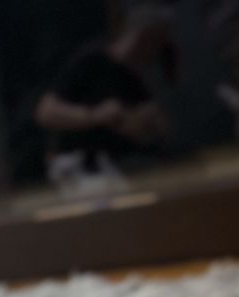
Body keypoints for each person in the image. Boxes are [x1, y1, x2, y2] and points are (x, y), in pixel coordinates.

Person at [35, 6, 174, 194]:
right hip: (78, 165)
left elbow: (135, 132)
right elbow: (46, 112)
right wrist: (95, 115)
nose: (155, 52)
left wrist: (144, 123)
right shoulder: (92, 61)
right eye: (156, 42)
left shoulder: (134, 78)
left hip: (117, 169)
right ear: (143, 37)